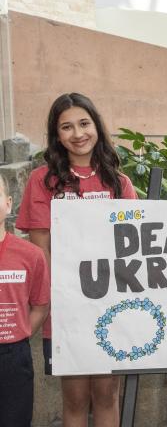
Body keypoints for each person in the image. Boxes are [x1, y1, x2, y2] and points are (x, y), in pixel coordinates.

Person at [16, 92, 137, 427]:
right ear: (57, 136)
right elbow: (42, 251)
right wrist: (64, 300)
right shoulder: (43, 181)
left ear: (96, 126)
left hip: (112, 305)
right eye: (66, 127)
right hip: (66, 306)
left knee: (108, 394)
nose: (78, 133)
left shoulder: (120, 182)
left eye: (84, 123)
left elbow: (133, 248)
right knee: (75, 398)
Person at [0, 173, 50, 427]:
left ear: (8, 203)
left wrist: (20, 332)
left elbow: (41, 304)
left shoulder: (32, 255)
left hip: (14, 356)